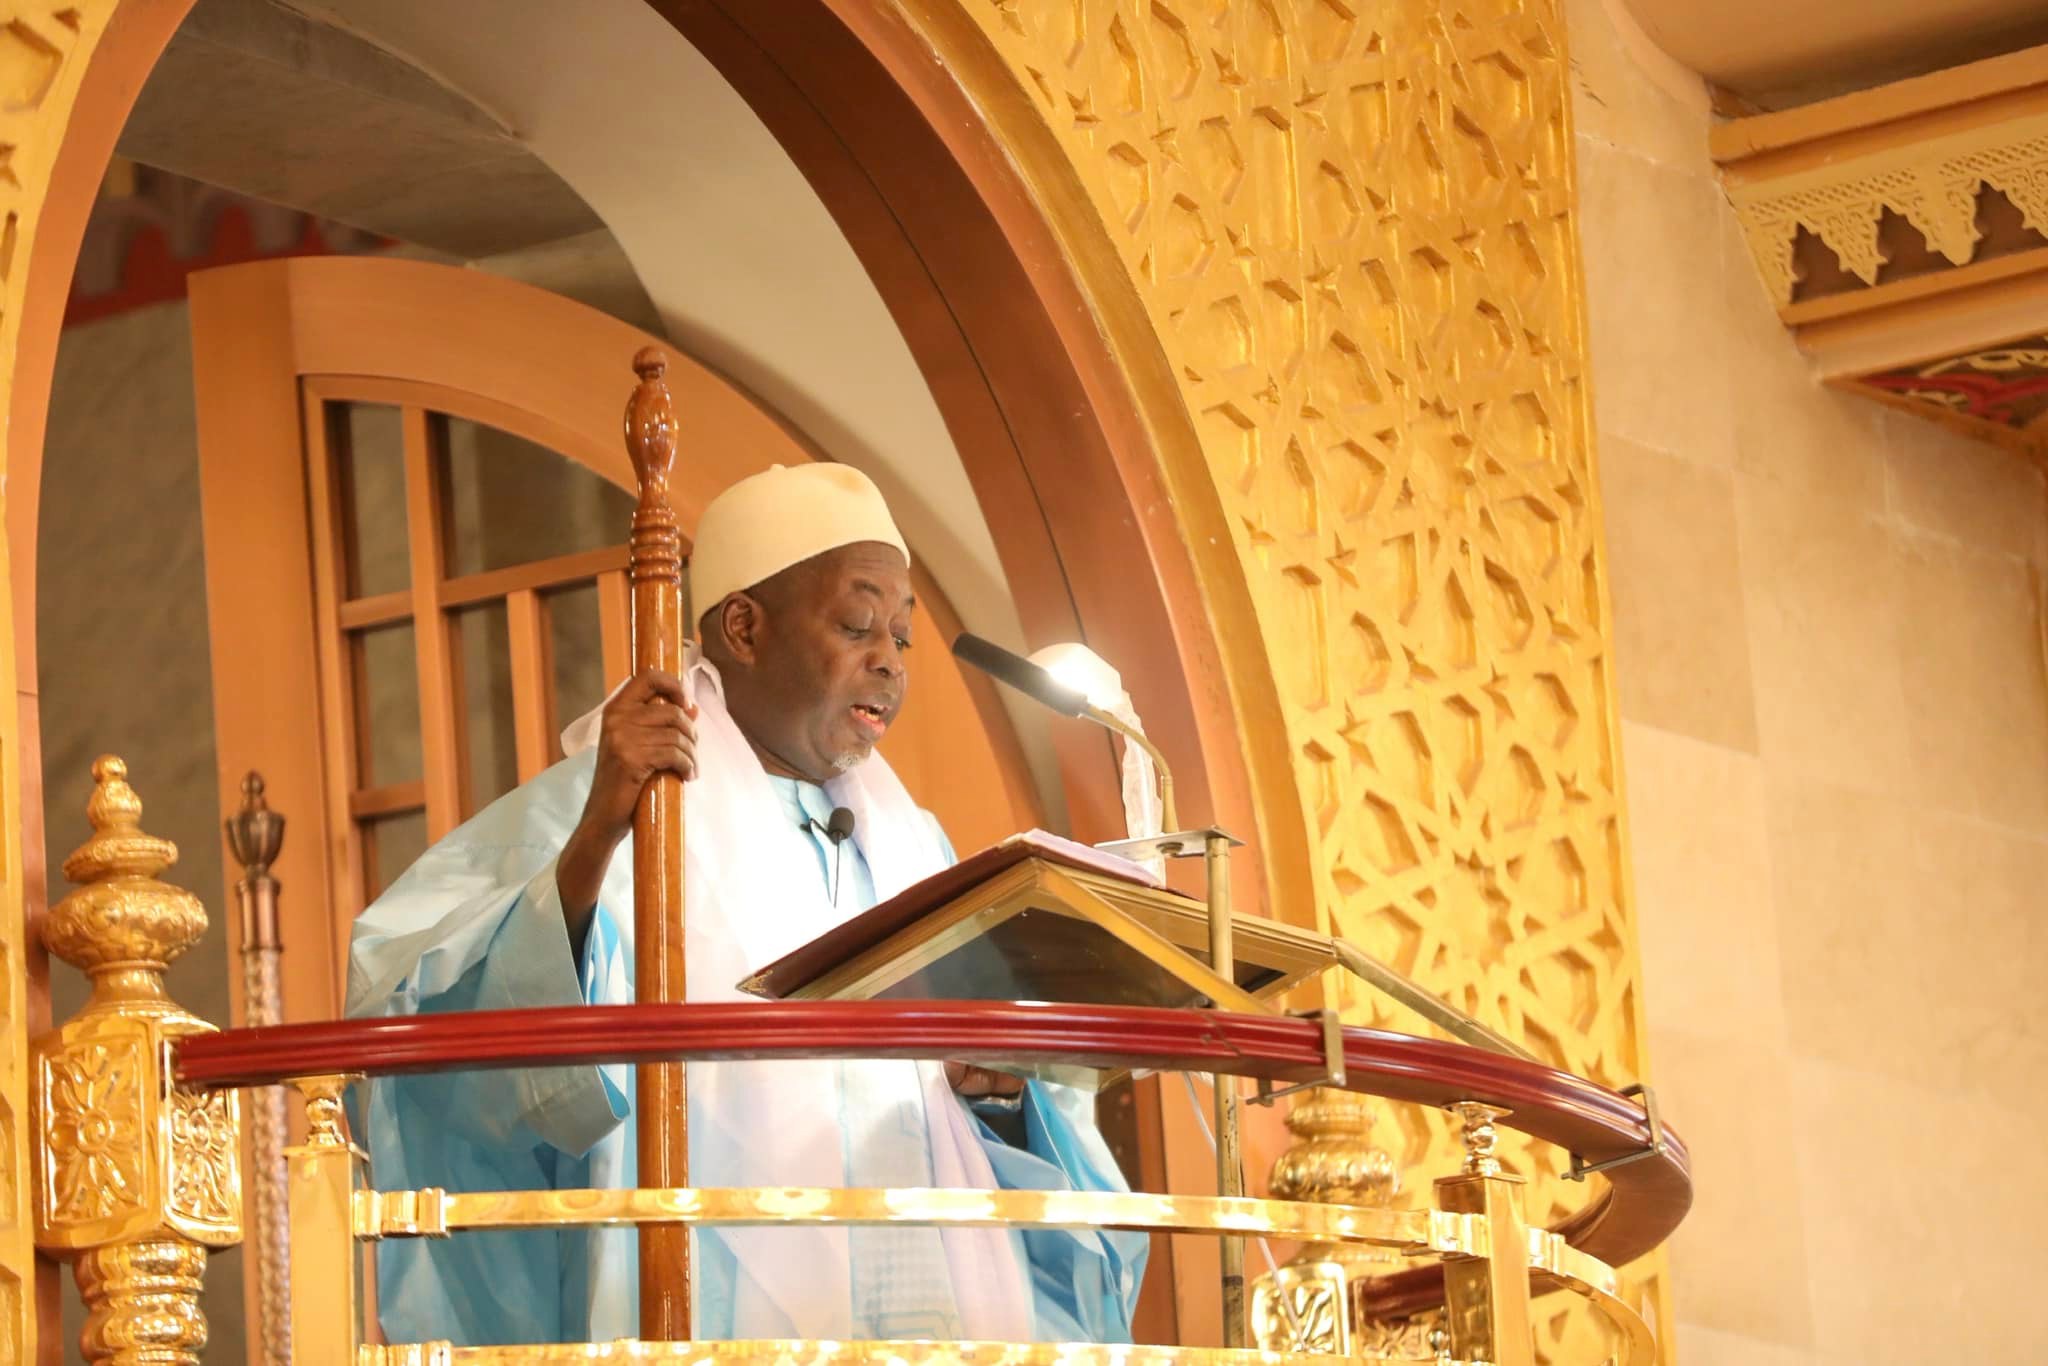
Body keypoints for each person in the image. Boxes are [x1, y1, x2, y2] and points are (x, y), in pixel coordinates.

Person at [346, 462, 1146, 1348]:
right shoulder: (623, 806)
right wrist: (596, 839)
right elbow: (429, 1018)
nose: (887, 659)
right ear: (743, 628)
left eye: (902, 637)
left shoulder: (918, 844)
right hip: (712, 1285)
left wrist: (999, 1093)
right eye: (855, 623)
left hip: (924, 1292)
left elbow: (1012, 1117)